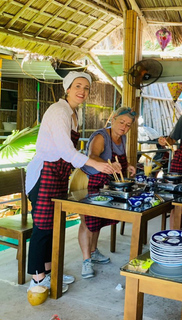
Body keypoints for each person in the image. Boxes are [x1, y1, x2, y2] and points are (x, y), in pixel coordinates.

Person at [25, 72, 114, 293]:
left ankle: (48, 272)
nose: (82, 91)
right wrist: (96, 164)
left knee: (53, 227)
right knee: (42, 228)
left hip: (58, 174)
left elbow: (69, 152)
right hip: (45, 173)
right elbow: (66, 150)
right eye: (77, 86)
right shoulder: (58, 111)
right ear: (68, 88)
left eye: (86, 87)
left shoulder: (73, 113)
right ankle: (37, 280)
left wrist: (94, 162)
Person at [78, 106, 137, 279]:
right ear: (113, 118)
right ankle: (86, 261)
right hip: (90, 182)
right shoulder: (101, 136)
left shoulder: (122, 138)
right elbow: (93, 156)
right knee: (88, 222)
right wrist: (109, 164)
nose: (124, 127)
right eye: (121, 122)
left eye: (128, 125)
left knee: (97, 220)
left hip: (106, 185)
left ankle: (94, 251)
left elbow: (120, 161)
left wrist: (129, 167)